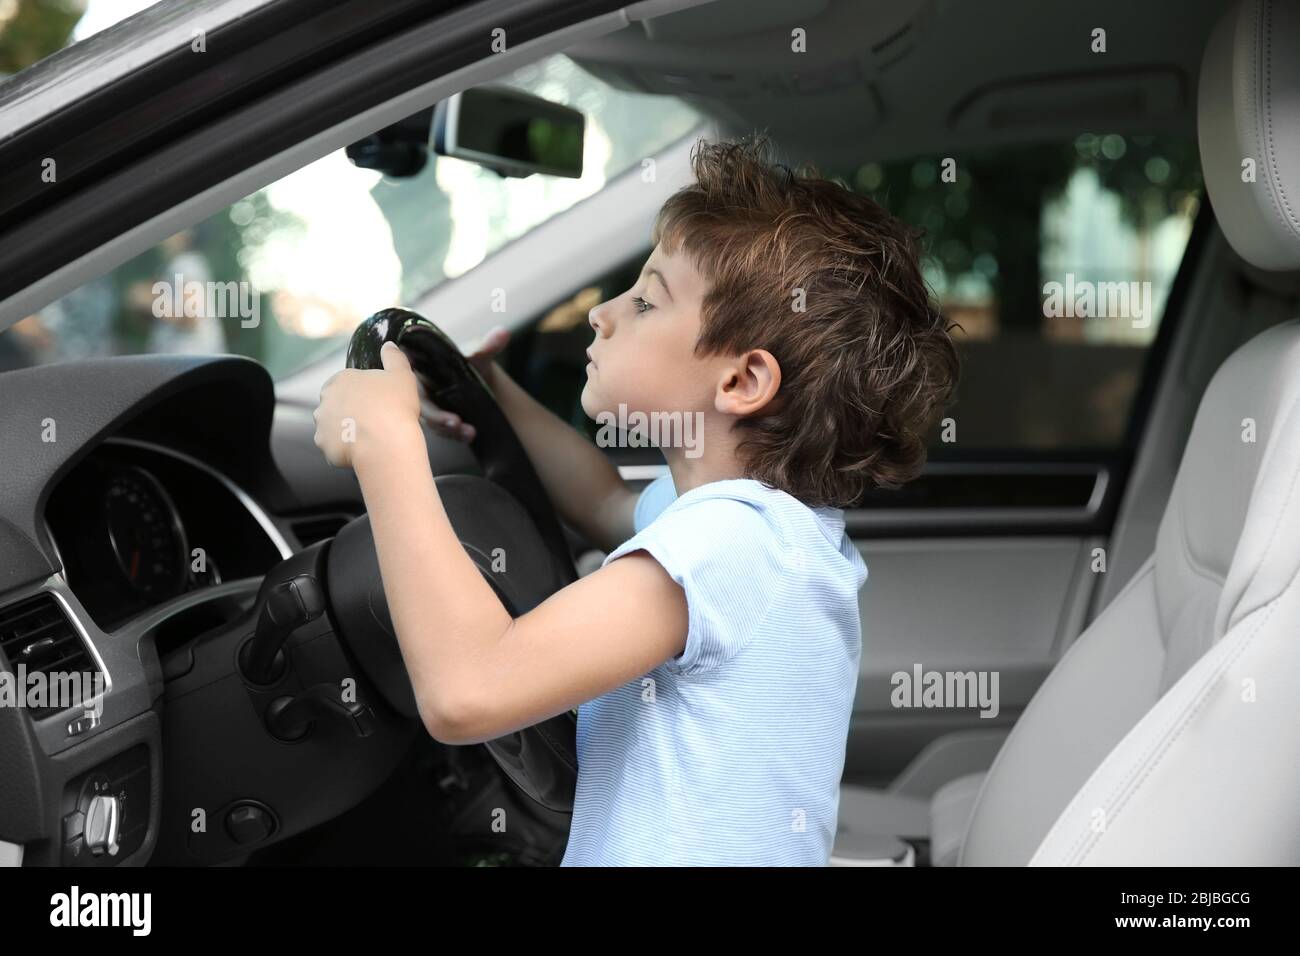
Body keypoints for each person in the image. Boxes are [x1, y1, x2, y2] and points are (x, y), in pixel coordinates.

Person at [312, 134, 960, 866]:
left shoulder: (726, 547)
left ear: (743, 383)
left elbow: (468, 689)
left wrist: (386, 446)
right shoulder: (768, 530)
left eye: (646, 300)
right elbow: (598, 500)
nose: (602, 313)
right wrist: (490, 389)